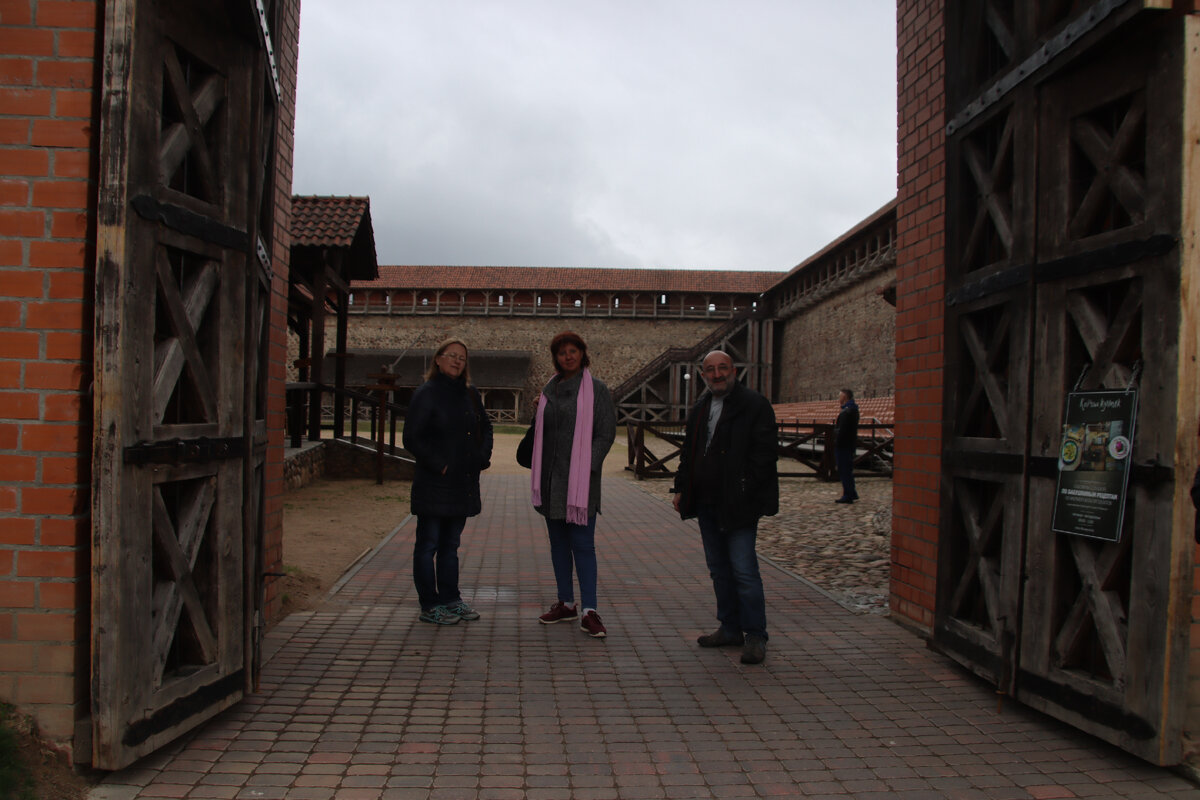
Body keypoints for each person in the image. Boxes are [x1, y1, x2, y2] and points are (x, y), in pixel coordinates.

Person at [672, 350, 778, 664]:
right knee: (719, 570)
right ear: (703, 374)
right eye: (710, 370)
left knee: (744, 570)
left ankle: (756, 634)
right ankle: (730, 627)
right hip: (706, 501)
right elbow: (690, 451)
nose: (717, 375)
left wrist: (747, 488)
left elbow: (765, 454)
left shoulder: (754, 405)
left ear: (734, 370)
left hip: (739, 502)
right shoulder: (702, 407)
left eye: (722, 368)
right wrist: (681, 487)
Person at [529, 331, 617, 638]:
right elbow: (545, 431)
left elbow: (605, 433)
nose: (568, 356)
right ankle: (566, 602)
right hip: (552, 480)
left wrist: (588, 466)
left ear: (582, 354)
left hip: (580, 482)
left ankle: (590, 610)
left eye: (573, 351)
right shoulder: (549, 389)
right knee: (558, 546)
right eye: (562, 352)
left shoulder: (596, 390)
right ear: (556, 357)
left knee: (583, 546)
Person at [402, 338, 493, 625]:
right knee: (428, 544)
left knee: (450, 544)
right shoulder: (426, 393)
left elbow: (485, 427)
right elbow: (412, 437)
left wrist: (481, 457)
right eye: (451, 355)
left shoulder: (470, 393)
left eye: (462, 358)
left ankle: (451, 599)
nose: (456, 361)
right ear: (438, 359)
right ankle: (430, 604)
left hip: (461, 482)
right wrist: (438, 465)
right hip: (434, 481)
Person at [833, 388, 860, 504]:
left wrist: (836, 442)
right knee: (847, 470)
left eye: (840, 396)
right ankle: (851, 492)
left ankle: (848, 494)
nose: (839, 398)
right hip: (849, 444)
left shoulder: (847, 412)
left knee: (844, 470)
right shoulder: (852, 410)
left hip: (844, 446)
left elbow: (842, 431)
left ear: (845, 397)